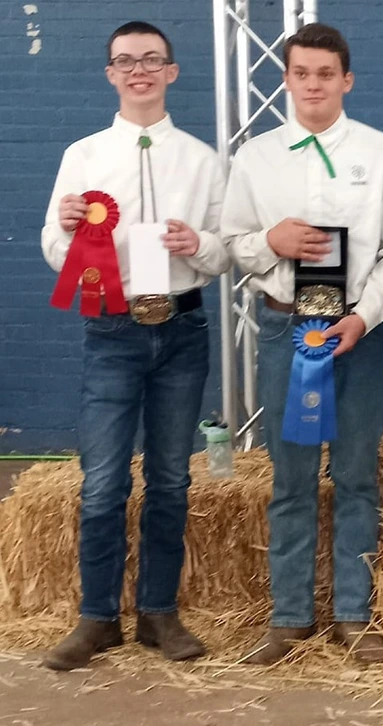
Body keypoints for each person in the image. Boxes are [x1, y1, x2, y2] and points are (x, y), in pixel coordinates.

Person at [220, 22, 383, 665]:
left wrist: (363, 316)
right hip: (286, 329)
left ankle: (354, 615)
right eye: (301, 73)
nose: (313, 85)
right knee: (292, 479)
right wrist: (267, 242)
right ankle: (289, 618)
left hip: (360, 334)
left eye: (325, 74)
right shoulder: (255, 157)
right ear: (286, 80)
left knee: (358, 476)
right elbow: (231, 245)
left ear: (346, 81)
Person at [41, 21, 229, 670]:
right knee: (101, 483)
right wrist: (67, 229)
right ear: (111, 75)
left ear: (172, 72)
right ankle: (97, 618)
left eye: (151, 59)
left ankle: (157, 613)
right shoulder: (84, 156)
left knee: (172, 479)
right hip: (111, 331)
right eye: (126, 61)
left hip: (182, 328)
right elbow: (53, 249)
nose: (139, 70)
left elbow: (224, 250)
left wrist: (195, 246)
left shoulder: (203, 160)